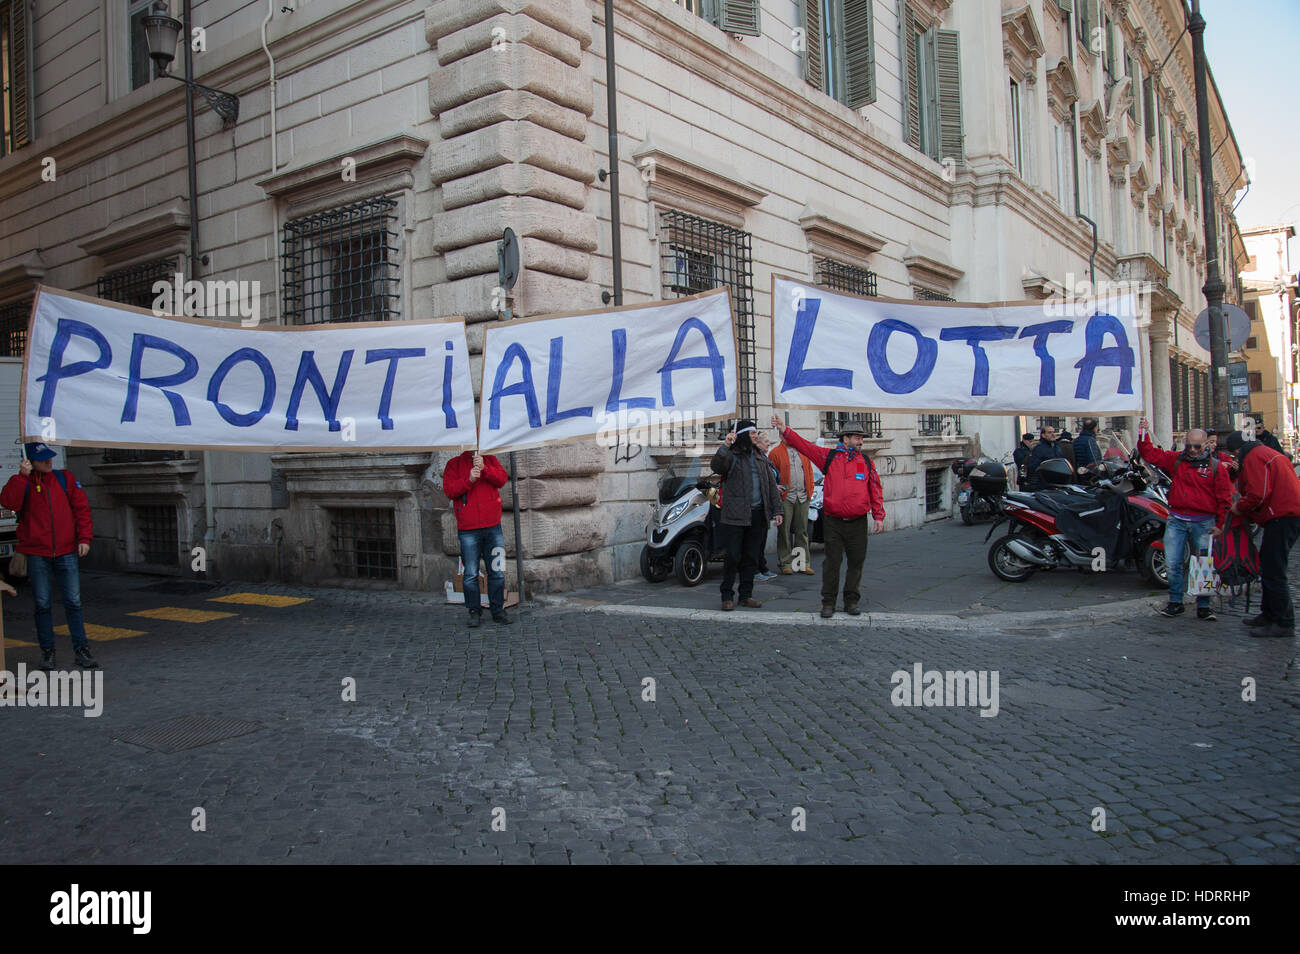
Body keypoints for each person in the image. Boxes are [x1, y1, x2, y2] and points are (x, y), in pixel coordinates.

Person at [772, 415, 885, 618]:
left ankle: (851, 600)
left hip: (858, 522)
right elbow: (805, 446)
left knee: (856, 563)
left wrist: (879, 516)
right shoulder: (829, 457)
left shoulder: (866, 462)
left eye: (862, 438)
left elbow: (875, 489)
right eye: (858, 437)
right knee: (832, 563)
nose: (861, 441)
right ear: (846, 438)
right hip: (834, 522)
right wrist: (785, 430)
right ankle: (829, 602)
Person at [0, 443, 96, 671]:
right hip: (37, 553)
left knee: (73, 602)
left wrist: (84, 538)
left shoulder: (65, 478)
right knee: (42, 605)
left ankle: (81, 650)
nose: (48, 461)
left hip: (66, 551)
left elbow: (81, 509)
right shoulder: (24, 483)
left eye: (49, 457)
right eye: (42, 459)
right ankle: (48, 653)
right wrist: (20, 477)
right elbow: (8, 502)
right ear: (31, 462)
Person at [1137, 420, 1233, 621]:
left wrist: (1220, 524)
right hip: (1178, 519)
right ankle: (1175, 602)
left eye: (1197, 446)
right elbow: (1150, 454)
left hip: (1204, 522)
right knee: (1173, 563)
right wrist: (1142, 432)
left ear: (1206, 445)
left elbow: (1224, 498)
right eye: (1189, 446)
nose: (1192, 450)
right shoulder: (1177, 459)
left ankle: (1204, 606)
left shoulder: (1216, 468)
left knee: (1204, 564)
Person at [1222, 429, 1300, 637]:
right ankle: (1269, 613)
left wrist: (1240, 507)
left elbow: (1258, 493)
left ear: (1237, 451)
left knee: (1274, 569)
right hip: (1286, 513)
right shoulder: (1266, 452)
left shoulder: (1254, 457)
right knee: (1269, 564)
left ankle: (1283, 622)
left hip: (1282, 516)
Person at [711, 420, 782, 611]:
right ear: (742, 435)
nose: (755, 436)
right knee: (733, 556)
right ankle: (727, 595)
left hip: (757, 515)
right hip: (735, 515)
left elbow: (769, 485)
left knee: (751, 557)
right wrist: (725, 445)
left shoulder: (759, 456)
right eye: (752, 434)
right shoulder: (732, 456)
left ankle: (746, 595)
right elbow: (717, 466)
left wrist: (777, 510)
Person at [443, 448, 512, 627]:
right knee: (470, 574)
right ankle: (474, 611)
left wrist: (485, 469)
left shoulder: (490, 459)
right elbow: (450, 491)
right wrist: (469, 480)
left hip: (493, 527)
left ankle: (498, 609)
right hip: (468, 529)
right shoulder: (454, 464)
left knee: (497, 570)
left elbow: (502, 479)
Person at [768, 426, 816, 576]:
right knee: (784, 532)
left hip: (802, 496)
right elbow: (771, 475)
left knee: (802, 531)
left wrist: (810, 491)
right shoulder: (775, 453)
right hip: (785, 498)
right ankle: (786, 562)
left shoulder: (803, 452)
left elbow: (809, 471)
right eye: (785, 436)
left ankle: (802, 563)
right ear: (781, 437)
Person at [751, 431, 781, 581]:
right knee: (755, 540)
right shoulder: (755, 459)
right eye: (766, 441)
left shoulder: (765, 459)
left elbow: (770, 480)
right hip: (757, 505)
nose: (769, 443)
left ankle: (762, 566)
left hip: (766, 504)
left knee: (762, 539)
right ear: (758, 443)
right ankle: (755, 569)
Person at [1025, 424, 1067, 490]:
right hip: (1043, 484)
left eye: (1053, 432)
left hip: (1056, 483)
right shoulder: (1039, 449)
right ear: (1043, 435)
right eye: (1049, 432)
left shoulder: (1057, 447)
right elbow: (1033, 467)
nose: (1053, 434)